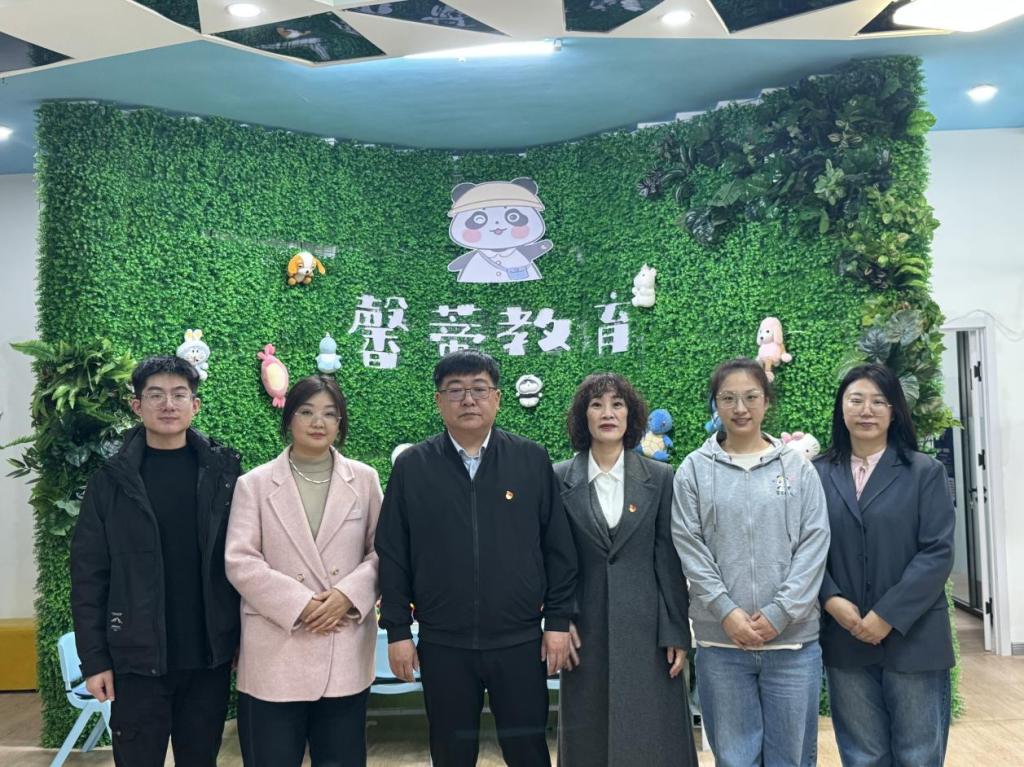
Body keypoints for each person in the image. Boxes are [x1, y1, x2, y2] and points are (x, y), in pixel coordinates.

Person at [375, 349, 578, 767]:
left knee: (528, 751)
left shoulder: (530, 459)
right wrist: (397, 631)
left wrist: (558, 622)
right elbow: (393, 553)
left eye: (479, 389)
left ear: (497, 398)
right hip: (443, 643)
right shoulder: (413, 467)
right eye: (455, 390)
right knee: (451, 754)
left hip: (519, 641)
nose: (468, 400)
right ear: (439, 401)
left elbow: (558, 548)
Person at [70, 356, 242, 767]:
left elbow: (244, 562)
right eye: (156, 395)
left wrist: (240, 640)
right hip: (136, 659)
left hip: (207, 658)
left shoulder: (224, 474)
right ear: (137, 405)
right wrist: (95, 661)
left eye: (179, 394)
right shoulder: (110, 482)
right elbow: (88, 576)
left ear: (195, 405)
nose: (168, 404)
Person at [671, 357, 829, 767]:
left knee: (791, 759)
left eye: (750, 397)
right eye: (728, 398)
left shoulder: (797, 467)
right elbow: (690, 547)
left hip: (793, 645)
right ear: (715, 404)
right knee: (735, 759)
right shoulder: (693, 470)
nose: (740, 408)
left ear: (766, 401)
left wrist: (781, 612)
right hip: (721, 646)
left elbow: (814, 543)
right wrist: (726, 612)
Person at [225, 375, 382, 767]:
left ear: (340, 423)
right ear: (289, 419)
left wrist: (348, 595)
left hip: (342, 641)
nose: (318, 422)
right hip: (276, 647)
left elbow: (383, 552)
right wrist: (300, 604)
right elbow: (240, 560)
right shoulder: (255, 484)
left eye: (330, 414)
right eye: (306, 411)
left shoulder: (364, 480)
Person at [553, 373, 698, 767]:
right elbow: (554, 559)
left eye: (617, 404)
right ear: (582, 416)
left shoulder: (660, 477)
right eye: (596, 405)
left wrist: (676, 630)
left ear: (630, 415)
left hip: (647, 630)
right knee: (589, 736)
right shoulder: (559, 478)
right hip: (584, 628)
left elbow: (668, 558)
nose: (607, 413)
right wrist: (560, 620)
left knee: (654, 737)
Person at [816, 363, 955, 766]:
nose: (866, 410)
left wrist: (886, 616)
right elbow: (803, 548)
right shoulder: (817, 473)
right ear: (841, 408)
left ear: (894, 411)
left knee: (918, 754)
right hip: (845, 635)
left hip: (915, 637)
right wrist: (831, 600)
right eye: (856, 400)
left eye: (879, 401)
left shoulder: (924, 472)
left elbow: (937, 552)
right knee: (863, 756)